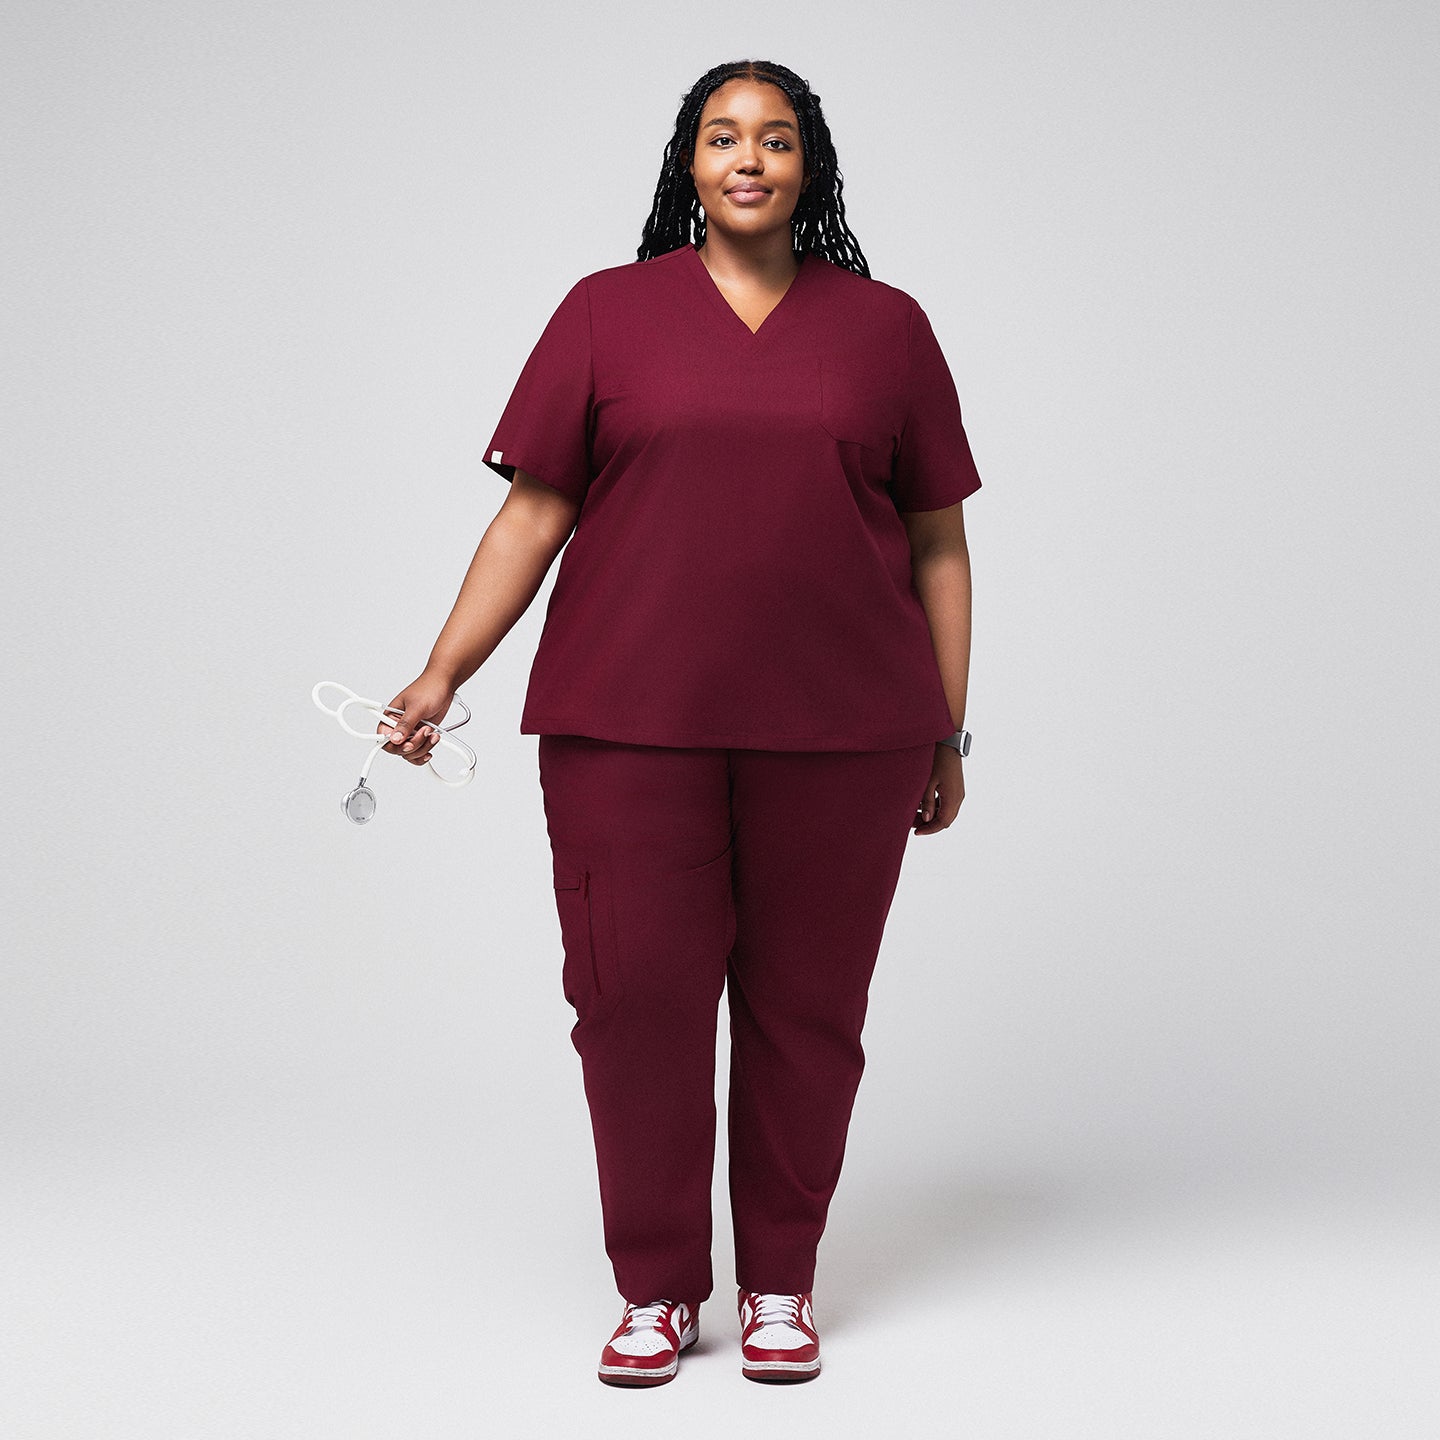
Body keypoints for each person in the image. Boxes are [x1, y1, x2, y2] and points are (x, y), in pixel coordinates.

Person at [376, 58, 982, 1387]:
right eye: (723, 137)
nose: (748, 158)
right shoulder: (607, 313)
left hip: (846, 732)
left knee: (807, 1010)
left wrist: (947, 728)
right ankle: (656, 1289)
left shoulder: (887, 330)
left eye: (776, 138)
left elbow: (938, 540)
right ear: (689, 164)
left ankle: (780, 1284)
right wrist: (441, 672)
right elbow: (535, 509)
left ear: (810, 166)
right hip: (626, 720)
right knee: (633, 1003)